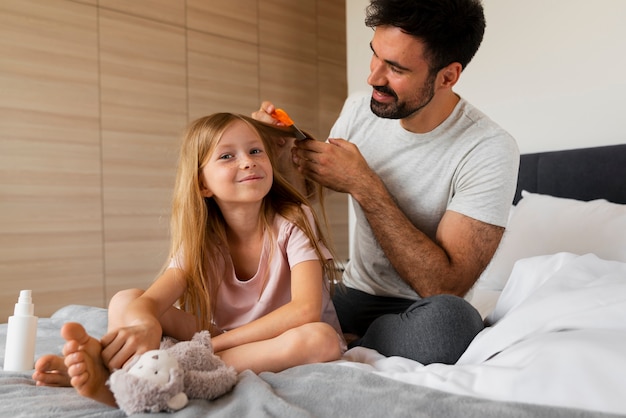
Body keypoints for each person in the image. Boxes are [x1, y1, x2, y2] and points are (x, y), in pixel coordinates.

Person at [252, 0, 519, 365]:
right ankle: (344, 337)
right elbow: (311, 191)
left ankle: (348, 340)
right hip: (352, 292)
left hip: (421, 310)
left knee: (453, 326)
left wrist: (365, 184)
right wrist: (279, 153)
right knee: (259, 299)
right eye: (375, 56)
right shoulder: (361, 109)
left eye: (395, 68)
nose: (374, 78)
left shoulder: (488, 148)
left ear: (447, 76)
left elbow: (444, 286)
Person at [32, 113, 345, 406]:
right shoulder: (201, 236)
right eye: (227, 156)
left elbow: (305, 311)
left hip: (275, 336)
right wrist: (144, 325)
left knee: (321, 340)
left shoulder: (294, 219)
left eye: (255, 151)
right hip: (221, 335)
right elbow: (150, 302)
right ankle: (119, 371)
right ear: (203, 184)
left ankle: (147, 376)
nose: (248, 162)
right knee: (124, 301)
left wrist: (208, 347)